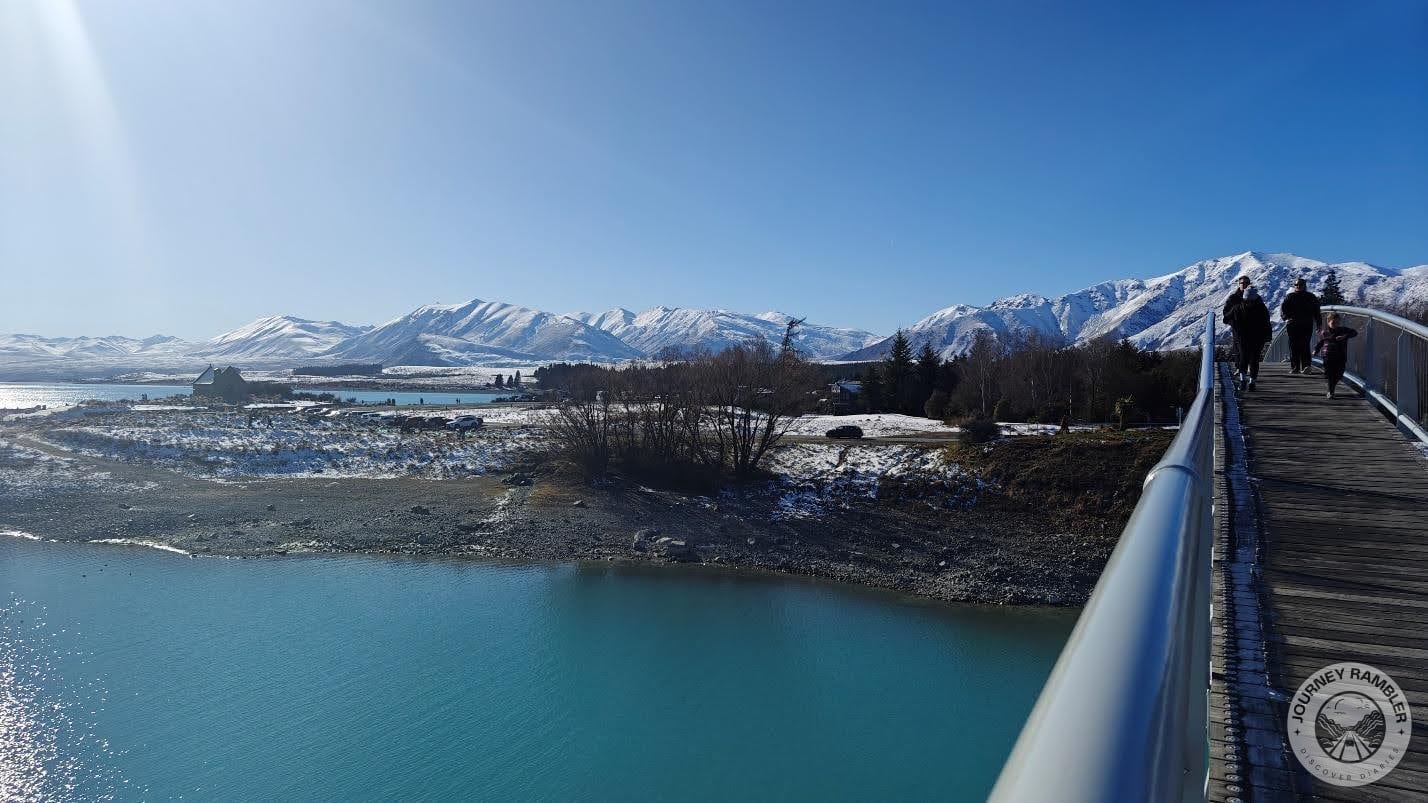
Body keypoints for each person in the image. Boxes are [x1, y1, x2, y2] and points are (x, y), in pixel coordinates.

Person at [1227, 284, 1272, 391]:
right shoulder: (1261, 308)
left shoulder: (1237, 308)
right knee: (1254, 360)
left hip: (1243, 338)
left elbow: (1226, 318)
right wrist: (1268, 336)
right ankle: (1252, 382)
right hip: (1258, 338)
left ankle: (1243, 381)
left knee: (1244, 359)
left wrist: (1234, 324)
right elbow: (1267, 323)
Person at [1280, 277, 1322, 374]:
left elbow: (1317, 312)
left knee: (1305, 345)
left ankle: (1306, 366)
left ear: (1305, 286)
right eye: (1296, 285)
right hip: (1292, 325)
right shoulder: (1290, 297)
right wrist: (1286, 318)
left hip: (1306, 324)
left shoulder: (1311, 297)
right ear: (1294, 286)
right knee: (1293, 346)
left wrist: (1319, 324)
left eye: (1300, 285)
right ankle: (1295, 367)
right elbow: (1283, 310)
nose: (1298, 286)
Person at [1314, 312, 1358, 398]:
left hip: (1341, 356)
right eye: (1333, 323)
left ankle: (1332, 387)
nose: (1335, 324)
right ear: (1328, 322)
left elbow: (1354, 332)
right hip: (1328, 356)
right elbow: (1321, 342)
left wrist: (1344, 337)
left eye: (1337, 323)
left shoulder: (1343, 330)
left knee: (1339, 374)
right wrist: (1316, 350)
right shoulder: (1324, 333)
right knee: (1330, 375)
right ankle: (1331, 392)